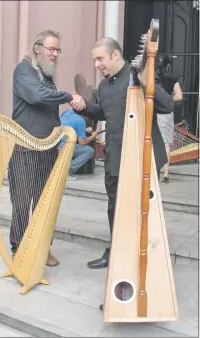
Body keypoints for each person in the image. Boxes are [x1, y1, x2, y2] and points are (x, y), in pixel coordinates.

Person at [69, 37, 174, 270]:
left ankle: (144, 255)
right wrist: (84, 106)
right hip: (115, 157)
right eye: (95, 60)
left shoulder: (138, 75)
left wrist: (145, 83)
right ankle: (116, 251)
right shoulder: (105, 86)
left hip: (142, 157)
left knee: (141, 211)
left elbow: (167, 105)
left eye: (100, 59)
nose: (96, 65)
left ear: (115, 54)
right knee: (114, 207)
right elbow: (105, 113)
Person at [9, 29, 79, 267]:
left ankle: (43, 247)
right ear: (37, 48)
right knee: (21, 202)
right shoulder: (24, 70)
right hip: (24, 148)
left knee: (45, 200)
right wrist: (68, 95)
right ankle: (18, 249)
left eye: (58, 50)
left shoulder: (46, 76)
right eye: (52, 48)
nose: (56, 54)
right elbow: (36, 96)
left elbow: (50, 109)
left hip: (48, 148)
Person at [156, 53, 183, 182]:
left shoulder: (152, 78)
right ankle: (166, 173)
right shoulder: (172, 79)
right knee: (166, 143)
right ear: (168, 65)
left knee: (152, 141)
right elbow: (179, 96)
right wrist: (167, 98)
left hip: (153, 111)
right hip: (166, 113)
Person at [59, 109, 97, 181]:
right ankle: (66, 171)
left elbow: (69, 126)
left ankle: (63, 169)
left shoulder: (66, 112)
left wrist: (84, 129)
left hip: (58, 145)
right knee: (89, 151)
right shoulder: (80, 120)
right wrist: (93, 136)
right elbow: (82, 142)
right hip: (65, 147)